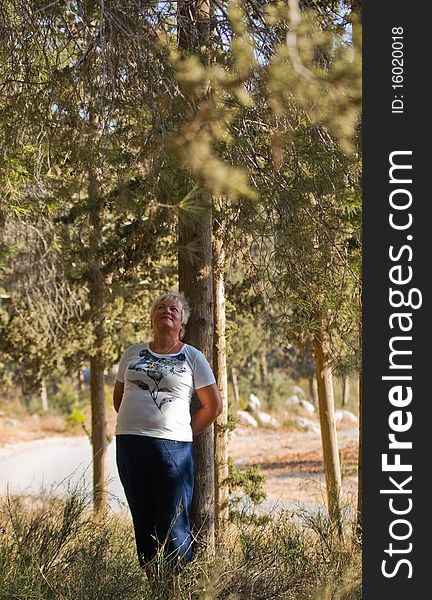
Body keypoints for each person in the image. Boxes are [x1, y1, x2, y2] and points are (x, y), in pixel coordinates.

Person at [113, 291, 222, 570]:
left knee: (173, 522)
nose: (167, 311)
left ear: (182, 322)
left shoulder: (192, 357)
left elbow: (213, 406)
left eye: (174, 309)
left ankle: (177, 587)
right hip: (129, 444)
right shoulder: (132, 353)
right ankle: (155, 588)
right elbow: (119, 397)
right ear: (152, 318)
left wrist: (183, 431)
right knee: (142, 518)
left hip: (173, 447)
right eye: (160, 307)